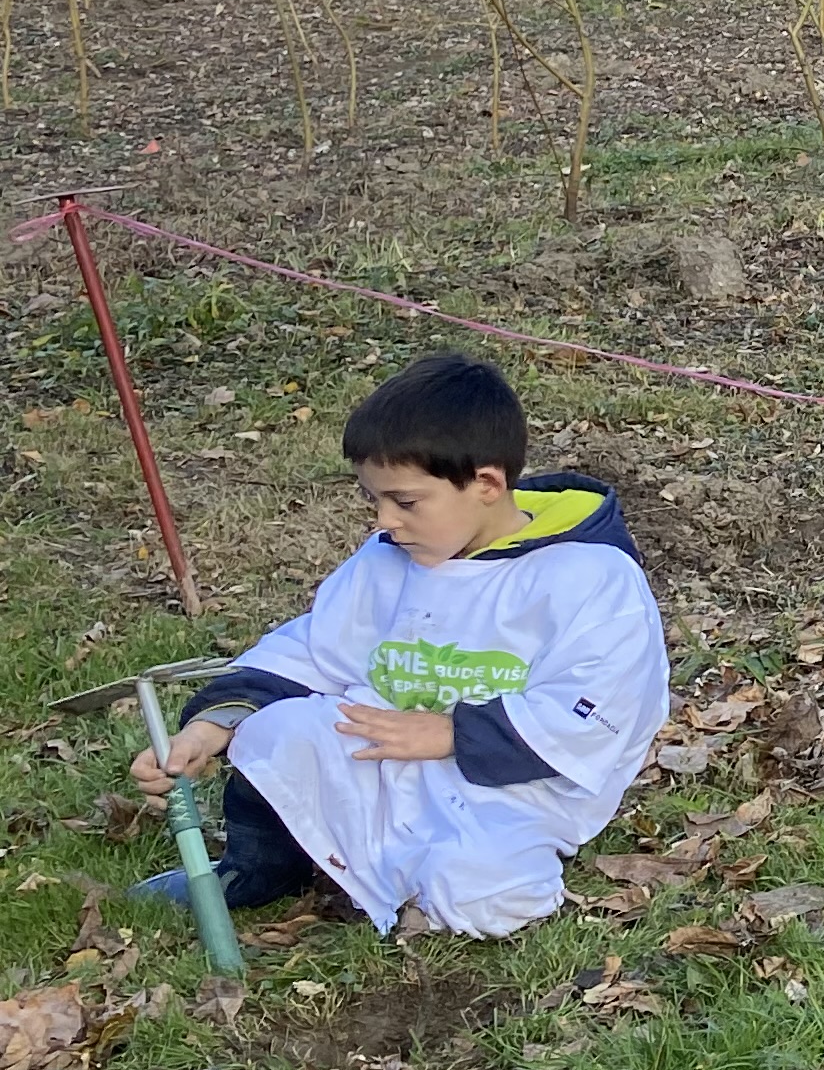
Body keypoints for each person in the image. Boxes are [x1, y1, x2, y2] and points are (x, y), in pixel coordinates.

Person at [131, 353, 668, 940]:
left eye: (405, 502)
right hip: (383, 751)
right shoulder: (387, 560)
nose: (385, 522)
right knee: (275, 732)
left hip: (507, 789)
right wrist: (213, 726)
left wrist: (453, 734)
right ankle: (256, 870)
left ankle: (401, 871)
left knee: (489, 898)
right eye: (376, 500)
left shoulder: (589, 576)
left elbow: (600, 703)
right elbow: (314, 650)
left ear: (486, 484)